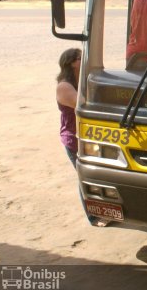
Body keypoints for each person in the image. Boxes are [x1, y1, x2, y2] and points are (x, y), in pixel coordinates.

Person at [56, 48, 109, 227]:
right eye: (80, 58)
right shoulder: (64, 86)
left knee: (97, 175)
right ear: (71, 62)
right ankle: (93, 217)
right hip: (73, 138)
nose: (84, 60)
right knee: (84, 177)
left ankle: (103, 210)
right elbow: (82, 104)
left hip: (87, 137)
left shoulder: (81, 81)